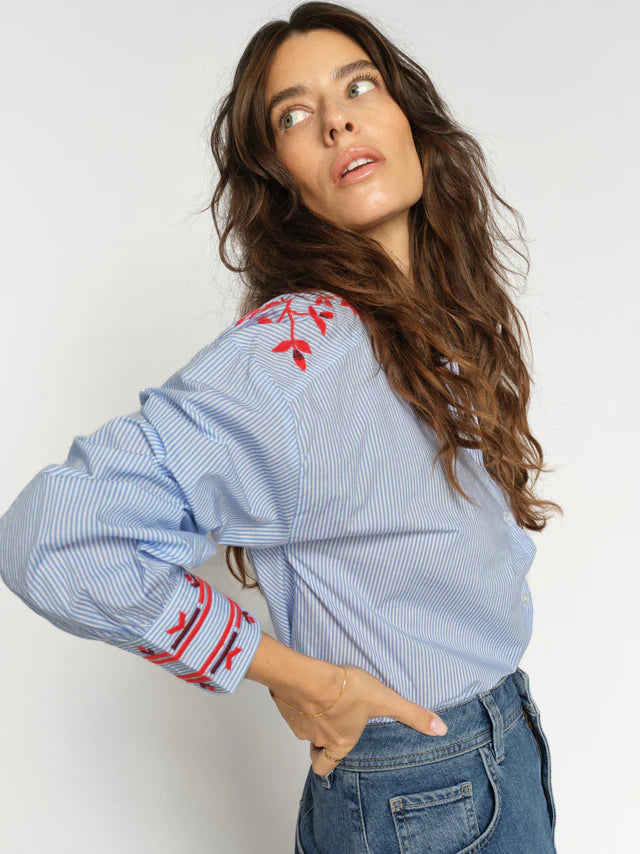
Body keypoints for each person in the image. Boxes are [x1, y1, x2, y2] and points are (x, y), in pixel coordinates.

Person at [0, 2, 560, 851]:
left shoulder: (433, 322)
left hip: (487, 755)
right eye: (295, 115)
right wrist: (301, 678)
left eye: (359, 86)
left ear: (409, 119)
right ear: (282, 177)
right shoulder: (297, 353)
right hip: (427, 789)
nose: (337, 118)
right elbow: (53, 535)